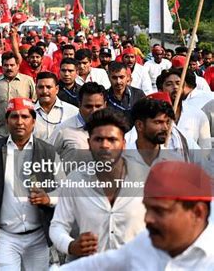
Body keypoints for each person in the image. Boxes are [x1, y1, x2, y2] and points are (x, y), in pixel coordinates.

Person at [57, 161, 214, 270]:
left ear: (197, 213)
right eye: (147, 208)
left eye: (159, 211)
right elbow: (95, 266)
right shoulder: (145, 243)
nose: (147, 219)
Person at [0, 98, 63, 270]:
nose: (20, 122)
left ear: (33, 121)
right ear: (7, 121)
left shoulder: (48, 151)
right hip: (4, 236)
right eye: (14, 117)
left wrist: (48, 199)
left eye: (25, 117)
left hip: (39, 237)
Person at [50, 109, 147, 261]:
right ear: (89, 143)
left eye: (112, 139)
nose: (105, 145)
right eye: (98, 139)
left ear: (123, 144)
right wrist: (71, 245)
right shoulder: (75, 181)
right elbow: (57, 226)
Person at [49, 82, 107, 163]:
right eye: (88, 106)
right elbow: (45, 158)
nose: (94, 111)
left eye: (98, 106)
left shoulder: (112, 131)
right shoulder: (63, 130)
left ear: (105, 105)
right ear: (79, 105)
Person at [156, 69, 211, 149]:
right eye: (169, 84)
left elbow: (206, 151)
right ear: (160, 90)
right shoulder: (152, 116)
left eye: (178, 83)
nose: (175, 87)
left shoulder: (198, 115)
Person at [0, 52, 37, 138]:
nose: (9, 68)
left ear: (18, 66)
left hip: (23, 130)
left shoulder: (28, 81)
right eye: (6, 65)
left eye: (12, 65)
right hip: (1, 131)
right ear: (2, 66)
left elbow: (35, 102)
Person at [34, 72, 78, 141]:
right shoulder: (27, 113)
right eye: (40, 87)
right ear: (36, 89)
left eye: (48, 87)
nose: (45, 91)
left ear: (57, 89)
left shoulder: (73, 112)